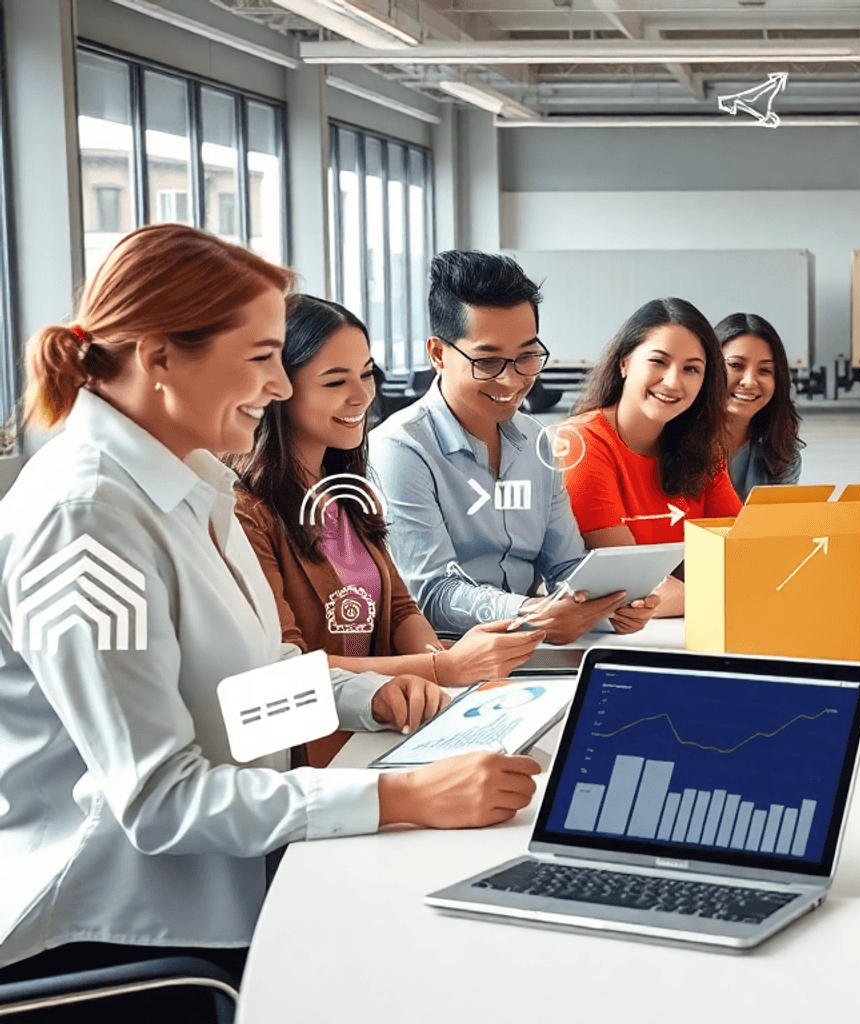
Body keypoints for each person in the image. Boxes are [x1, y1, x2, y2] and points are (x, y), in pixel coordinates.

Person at [0, 226, 540, 995]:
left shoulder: (190, 487)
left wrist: (371, 696)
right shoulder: (84, 522)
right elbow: (160, 801)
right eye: (260, 359)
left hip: (226, 893)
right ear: (158, 357)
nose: (282, 387)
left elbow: (251, 692)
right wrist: (402, 796)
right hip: (121, 941)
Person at [231, 295, 544, 766]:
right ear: (278, 388)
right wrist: (444, 666)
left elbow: (398, 610)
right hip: (311, 760)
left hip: (384, 737)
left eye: (366, 373)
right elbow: (284, 668)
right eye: (336, 381)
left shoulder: (347, 493)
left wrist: (455, 673)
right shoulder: (247, 512)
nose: (361, 395)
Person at [368, 251, 654, 643]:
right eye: (487, 362)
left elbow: (565, 565)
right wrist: (534, 612)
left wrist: (611, 604)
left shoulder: (536, 439)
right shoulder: (399, 449)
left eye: (527, 357)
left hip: (530, 646)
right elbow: (432, 595)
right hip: (447, 657)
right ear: (437, 354)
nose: (511, 381)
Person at [561, 298, 743, 618]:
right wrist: (725, 591)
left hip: (682, 629)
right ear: (624, 363)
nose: (673, 381)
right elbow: (630, 586)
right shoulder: (580, 444)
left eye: (691, 369)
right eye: (659, 361)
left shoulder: (705, 450)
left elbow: (741, 555)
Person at [714, 312, 804, 500]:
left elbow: (775, 526)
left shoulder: (782, 454)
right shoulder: (673, 443)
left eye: (765, 370)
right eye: (736, 365)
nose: (749, 382)